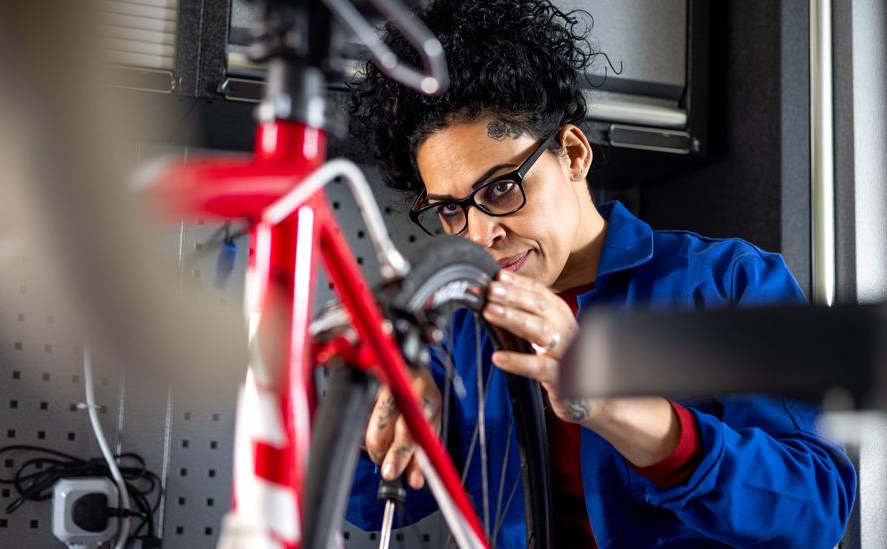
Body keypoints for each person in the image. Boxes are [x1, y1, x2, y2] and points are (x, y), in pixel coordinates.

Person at [344, 1, 856, 547]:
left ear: (572, 153)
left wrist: (619, 407)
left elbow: (815, 512)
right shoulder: (465, 329)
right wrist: (383, 421)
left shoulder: (728, 284)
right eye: (451, 209)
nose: (479, 235)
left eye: (499, 188)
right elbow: (371, 499)